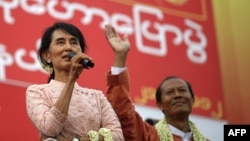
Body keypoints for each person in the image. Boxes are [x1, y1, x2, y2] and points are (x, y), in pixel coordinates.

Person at [104, 25, 209, 141]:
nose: (177, 95)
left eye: (182, 90)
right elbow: (121, 111)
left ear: (192, 99)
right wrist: (120, 56)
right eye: (170, 92)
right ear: (160, 104)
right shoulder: (148, 135)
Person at [25, 22, 126, 141]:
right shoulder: (37, 91)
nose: (68, 47)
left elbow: (118, 136)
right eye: (60, 42)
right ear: (47, 55)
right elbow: (50, 128)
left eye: (73, 42)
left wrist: (84, 139)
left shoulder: (96, 96)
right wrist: (71, 80)